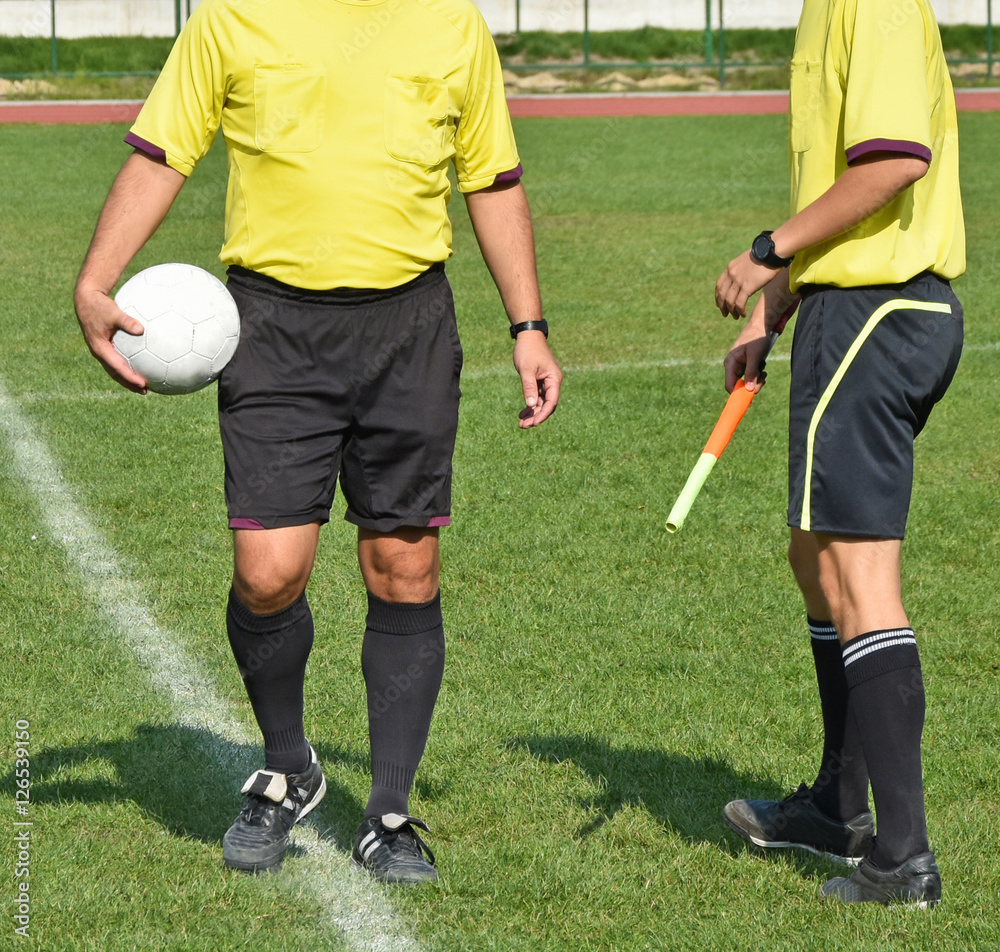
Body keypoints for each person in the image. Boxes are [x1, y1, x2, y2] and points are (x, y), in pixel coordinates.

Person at [74, 0, 561, 884]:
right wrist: (96, 282)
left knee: (404, 567)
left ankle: (389, 813)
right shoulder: (231, 16)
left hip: (409, 326)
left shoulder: (452, 24)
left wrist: (528, 325)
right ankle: (288, 766)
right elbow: (161, 152)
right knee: (268, 573)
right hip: (272, 329)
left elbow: (492, 179)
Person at [713, 0, 964, 906]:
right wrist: (777, 302)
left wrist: (767, 249)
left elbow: (894, 163)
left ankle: (903, 859)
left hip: (877, 314)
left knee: (859, 574)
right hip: (846, 309)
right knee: (814, 557)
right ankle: (839, 805)